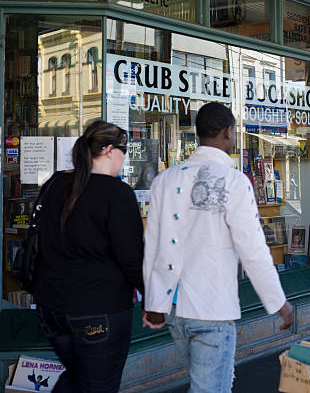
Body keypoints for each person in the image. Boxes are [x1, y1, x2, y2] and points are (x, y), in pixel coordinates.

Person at [143, 102, 293, 393]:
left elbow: (152, 245)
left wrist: (154, 303)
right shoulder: (235, 182)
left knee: (206, 384)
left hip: (174, 309)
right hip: (212, 308)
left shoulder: (165, 180)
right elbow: (253, 249)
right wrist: (278, 302)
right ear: (228, 132)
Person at [34, 120, 144, 393]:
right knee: (96, 386)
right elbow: (131, 258)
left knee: (77, 380)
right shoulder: (117, 194)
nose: (124, 156)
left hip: (51, 307)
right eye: (124, 149)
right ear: (108, 150)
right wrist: (153, 297)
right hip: (99, 309)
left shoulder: (56, 184)